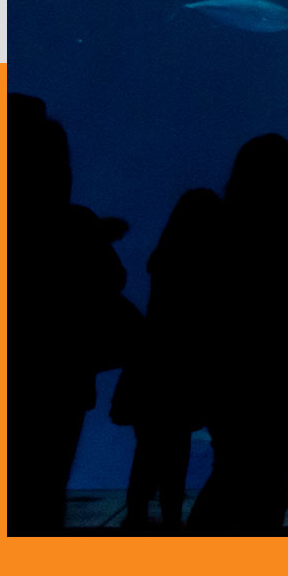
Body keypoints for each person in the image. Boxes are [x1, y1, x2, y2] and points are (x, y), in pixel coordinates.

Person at [188, 135, 288, 532]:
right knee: (271, 478)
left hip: (228, 371)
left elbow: (201, 309)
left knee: (231, 470)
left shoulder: (221, 229)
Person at [8, 93, 140, 534]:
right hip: (60, 375)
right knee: (44, 483)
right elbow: (111, 279)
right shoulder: (73, 223)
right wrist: (92, 236)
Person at [110, 187, 226, 531]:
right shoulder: (207, 260)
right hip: (182, 366)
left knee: (147, 449)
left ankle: (137, 517)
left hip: (150, 362)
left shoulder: (164, 257)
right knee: (175, 450)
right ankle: (172, 519)